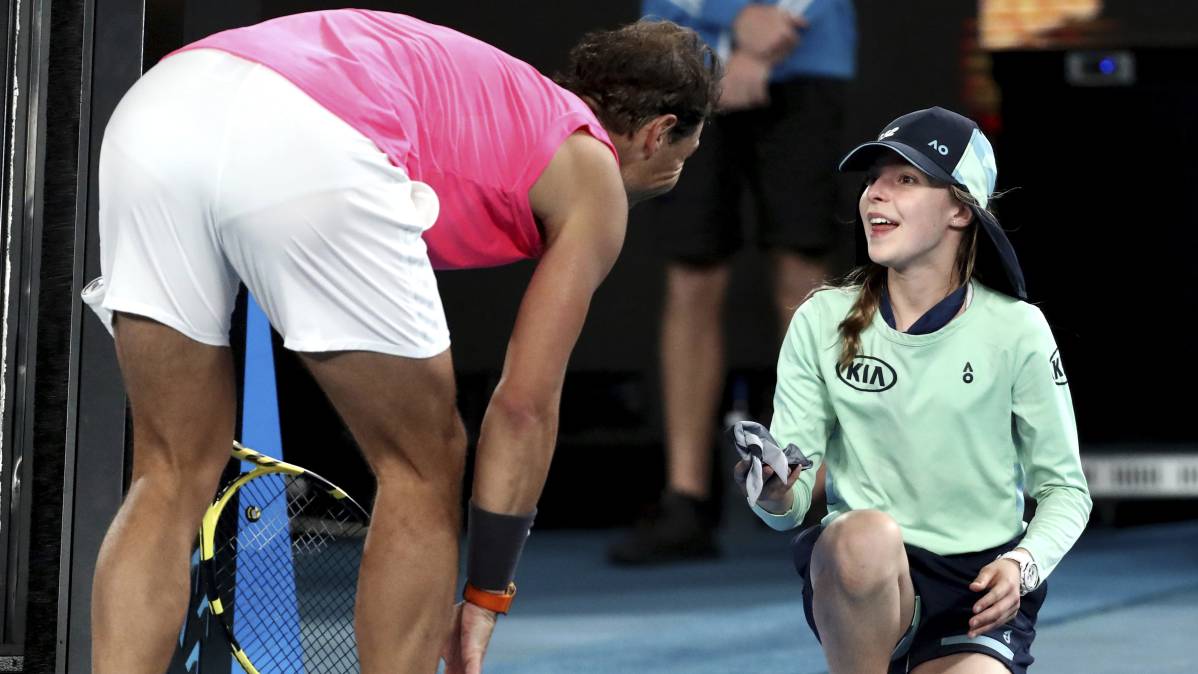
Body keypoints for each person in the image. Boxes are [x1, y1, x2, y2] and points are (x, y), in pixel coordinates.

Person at [80, 10, 719, 674]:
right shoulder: (593, 171)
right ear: (657, 132)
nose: (676, 174)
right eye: (684, 157)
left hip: (160, 110)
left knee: (169, 470)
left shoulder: (492, 97)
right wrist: (485, 592)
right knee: (423, 461)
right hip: (303, 135)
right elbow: (524, 407)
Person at [733, 107, 1092, 673]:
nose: (876, 194)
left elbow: (1066, 490)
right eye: (873, 178)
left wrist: (1023, 564)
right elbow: (788, 507)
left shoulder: (1017, 328)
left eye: (906, 180)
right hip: (867, 576)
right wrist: (774, 492)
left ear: (959, 209)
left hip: (977, 590)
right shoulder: (821, 319)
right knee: (863, 534)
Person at [609, 0, 857, 565]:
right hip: (678, 54)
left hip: (807, 48)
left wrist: (763, 36)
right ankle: (687, 499)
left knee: (805, 277)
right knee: (692, 275)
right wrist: (736, 20)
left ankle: (816, 490)